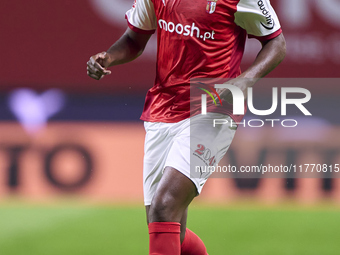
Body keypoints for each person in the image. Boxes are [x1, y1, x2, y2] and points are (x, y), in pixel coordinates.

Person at [87, 0, 286, 254]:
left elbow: (277, 43)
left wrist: (246, 79)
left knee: (165, 205)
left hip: (213, 106)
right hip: (162, 107)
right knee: (168, 229)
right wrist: (108, 57)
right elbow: (135, 38)